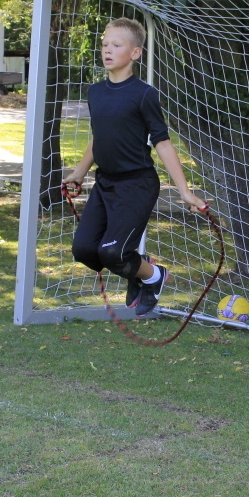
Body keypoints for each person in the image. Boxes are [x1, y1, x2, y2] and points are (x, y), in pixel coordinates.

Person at [63, 17, 207, 316]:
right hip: (105, 183)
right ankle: (140, 267)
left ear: (135, 53)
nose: (108, 50)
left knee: (113, 252)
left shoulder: (144, 94)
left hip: (137, 184)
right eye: (104, 44)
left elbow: (163, 143)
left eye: (117, 44)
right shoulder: (95, 92)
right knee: (84, 250)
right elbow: (99, 136)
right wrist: (79, 172)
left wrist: (185, 192)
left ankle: (154, 277)